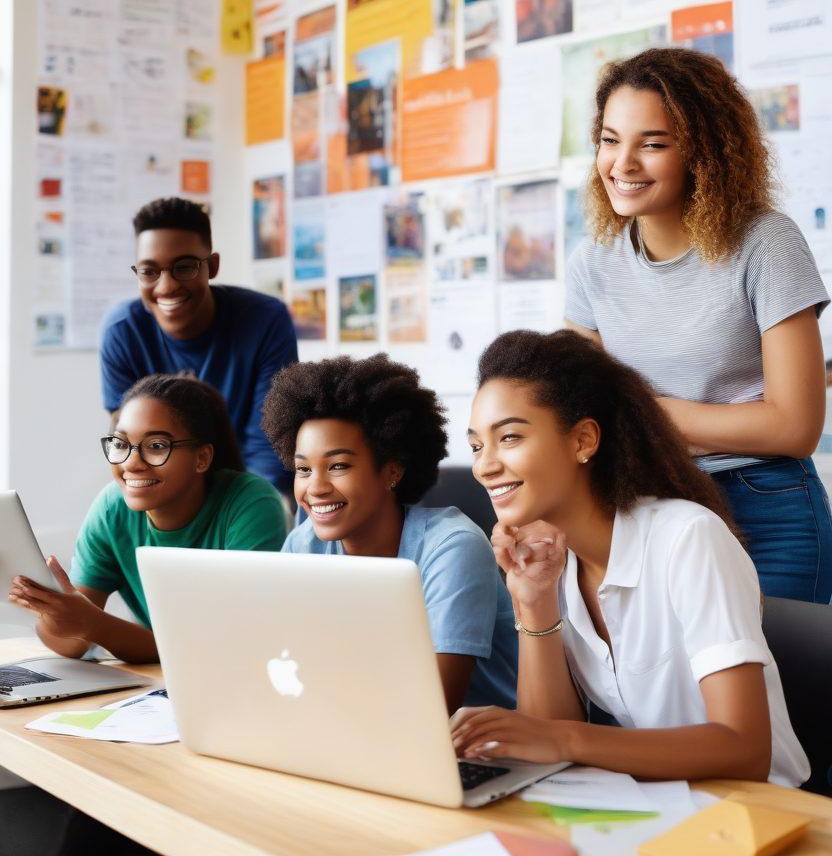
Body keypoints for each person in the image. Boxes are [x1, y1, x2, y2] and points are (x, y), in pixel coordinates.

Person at [454, 329, 809, 787]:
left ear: (583, 440)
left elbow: (745, 750)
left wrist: (568, 740)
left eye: (510, 437)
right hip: (662, 807)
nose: (484, 465)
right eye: (477, 446)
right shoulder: (555, 563)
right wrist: (534, 602)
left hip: (757, 813)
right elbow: (544, 742)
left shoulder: (688, 537)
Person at [564, 47, 832, 602]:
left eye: (653, 144)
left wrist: (637, 413)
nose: (622, 164)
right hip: (646, 508)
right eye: (610, 140)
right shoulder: (592, 262)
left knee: (776, 686)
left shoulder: (766, 243)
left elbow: (794, 426)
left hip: (764, 508)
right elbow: (575, 411)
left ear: (704, 152)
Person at [261, 353, 517, 715]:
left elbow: (433, 706)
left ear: (391, 472)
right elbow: (283, 662)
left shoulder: (452, 547)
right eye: (303, 469)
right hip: (356, 726)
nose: (315, 487)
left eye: (337, 466)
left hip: (485, 749)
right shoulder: (303, 545)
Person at [8, 374, 286, 662]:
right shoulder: (111, 508)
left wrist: (93, 624)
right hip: (156, 683)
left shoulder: (251, 503)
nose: (131, 463)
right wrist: (52, 613)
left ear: (202, 458)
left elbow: (233, 644)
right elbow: (74, 644)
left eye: (156, 446)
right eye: (121, 444)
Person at [100, 197, 298, 493]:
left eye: (184, 267)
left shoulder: (265, 321)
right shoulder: (123, 331)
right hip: (165, 500)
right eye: (149, 271)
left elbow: (268, 445)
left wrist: (255, 514)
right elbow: (131, 448)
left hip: (249, 499)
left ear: (212, 266)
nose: (166, 286)